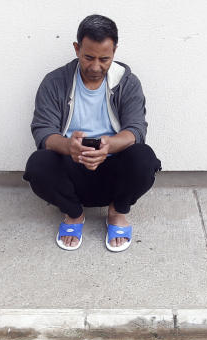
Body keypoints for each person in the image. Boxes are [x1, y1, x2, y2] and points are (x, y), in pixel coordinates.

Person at [23, 14, 161, 252]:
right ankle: (74, 214)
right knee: (38, 164)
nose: (96, 67)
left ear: (115, 52)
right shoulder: (55, 82)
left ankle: (117, 213)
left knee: (144, 158)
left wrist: (110, 144)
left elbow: (136, 130)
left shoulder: (127, 82)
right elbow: (43, 131)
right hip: (72, 173)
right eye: (88, 57)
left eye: (104, 59)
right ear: (77, 49)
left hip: (113, 172)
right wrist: (69, 147)